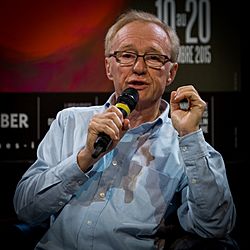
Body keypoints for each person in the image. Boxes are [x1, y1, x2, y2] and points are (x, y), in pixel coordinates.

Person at [13, 9, 237, 250]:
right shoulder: (69, 122)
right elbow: (25, 209)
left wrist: (191, 137)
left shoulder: (184, 144)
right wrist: (84, 159)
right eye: (127, 55)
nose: (139, 68)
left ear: (171, 72)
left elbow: (215, 227)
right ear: (109, 67)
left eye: (153, 58)